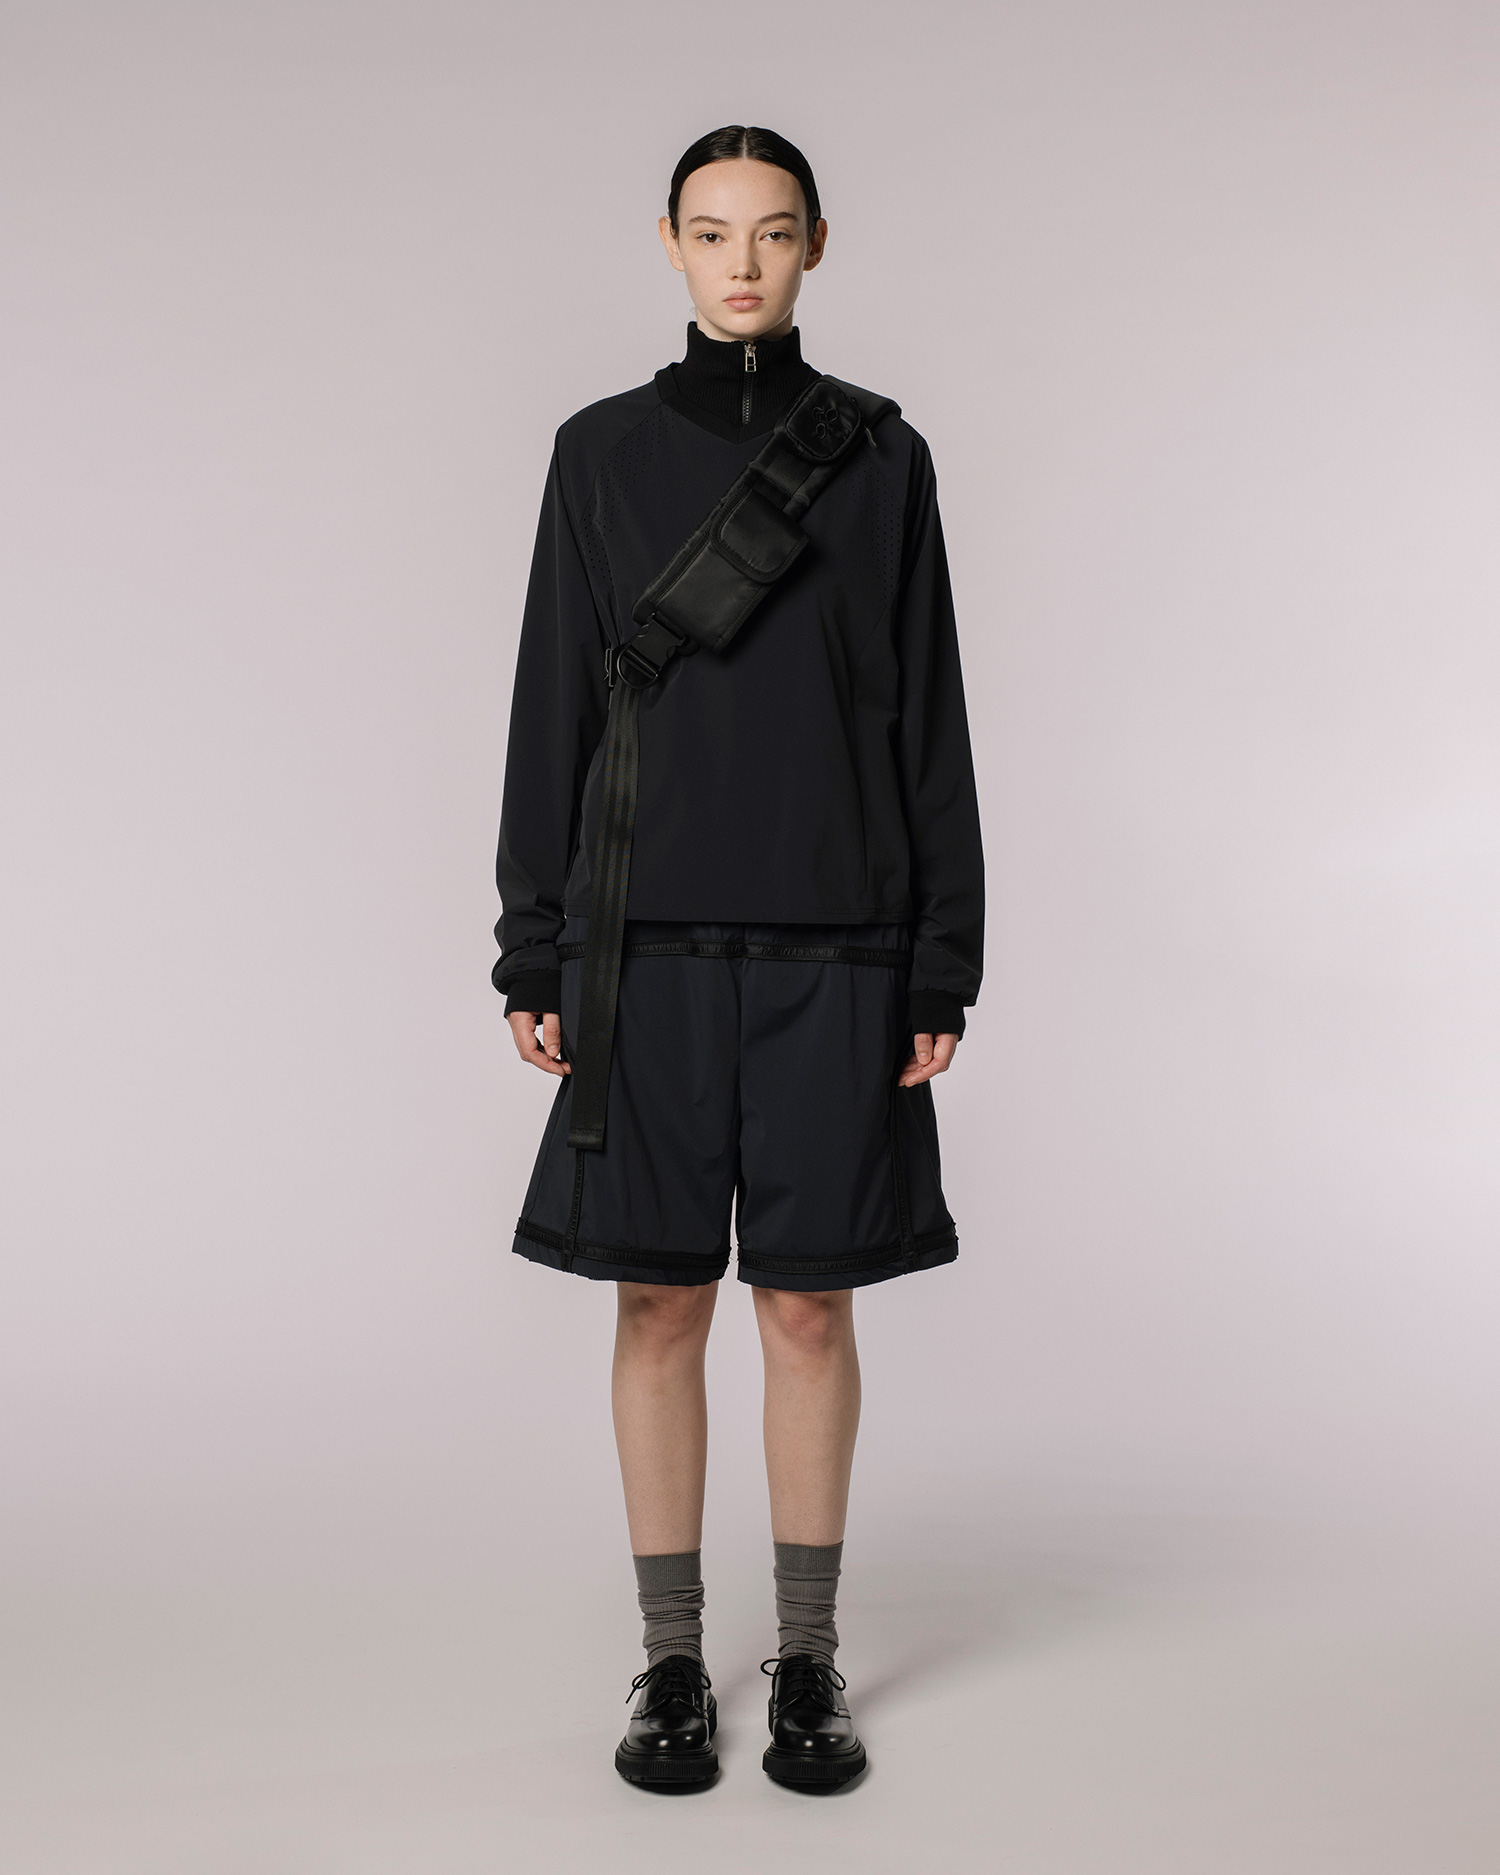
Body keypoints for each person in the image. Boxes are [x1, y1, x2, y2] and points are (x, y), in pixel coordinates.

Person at [491, 125, 983, 1791]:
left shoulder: (883, 458)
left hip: (839, 943)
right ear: (671, 244)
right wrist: (534, 942)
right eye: (713, 233)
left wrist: (941, 957)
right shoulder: (598, 453)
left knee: (811, 1313)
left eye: (772, 232)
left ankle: (811, 1659)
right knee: (655, 1304)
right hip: (643, 944)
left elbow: (929, 719)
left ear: (816, 244)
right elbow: (553, 699)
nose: (743, 263)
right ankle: (670, 1663)